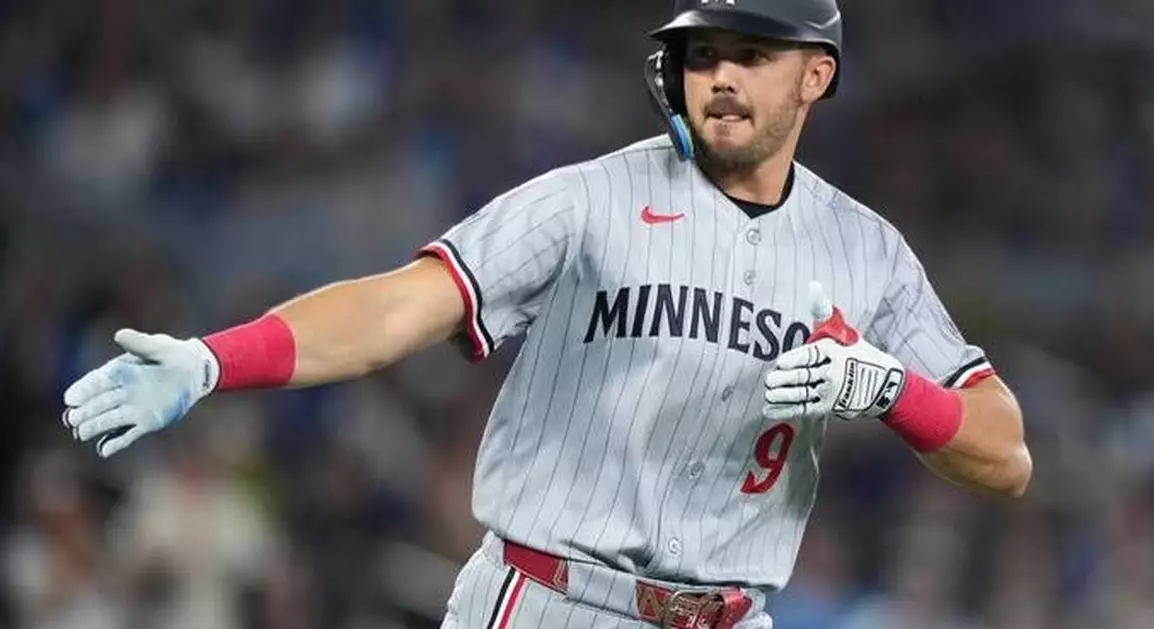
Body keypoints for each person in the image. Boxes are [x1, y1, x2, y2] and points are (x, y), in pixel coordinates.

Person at [60, 1, 1033, 627]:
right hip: (552, 599)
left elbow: (1006, 454)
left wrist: (889, 384)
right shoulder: (587, 201)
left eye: (751, 51)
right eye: (703, 52)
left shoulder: (866, 250)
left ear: (815, 74)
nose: (720, 76)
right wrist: (213, 360)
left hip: (733, 614)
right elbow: (399, 306)